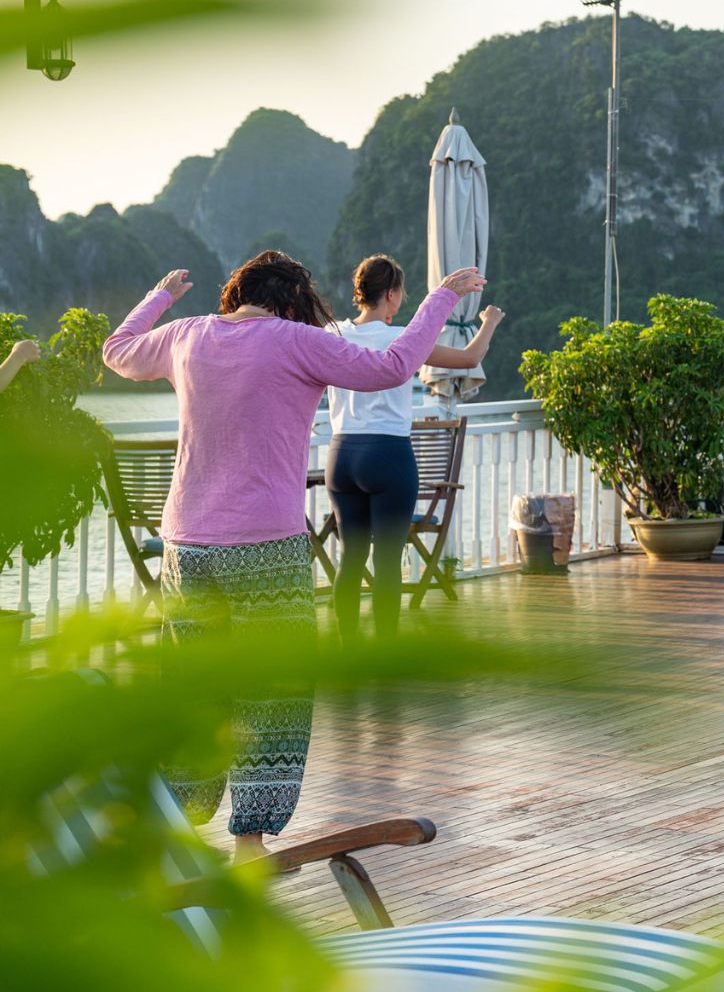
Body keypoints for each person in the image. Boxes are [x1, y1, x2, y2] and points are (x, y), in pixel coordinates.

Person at [103, 251, 482, 859]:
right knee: (271, 692)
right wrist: (441, 297)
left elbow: (116, 350)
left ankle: (172, 824)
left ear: (237, 294)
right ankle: (248, 843)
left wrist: (160, 295)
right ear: (289, 301)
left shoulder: (186, 335)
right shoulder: (294, 340)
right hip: (265, 550)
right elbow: (394, 364)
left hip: (185, 548)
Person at [326, 253, 505, 645]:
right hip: (388, 454)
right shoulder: (402, 339)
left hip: (341, 457)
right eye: (400, 293)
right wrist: (489, 323)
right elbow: (469, 358)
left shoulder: (332, 334)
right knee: (388, 561)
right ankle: (386, 651)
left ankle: (347, 649)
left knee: (351, 558)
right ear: (390, 294)